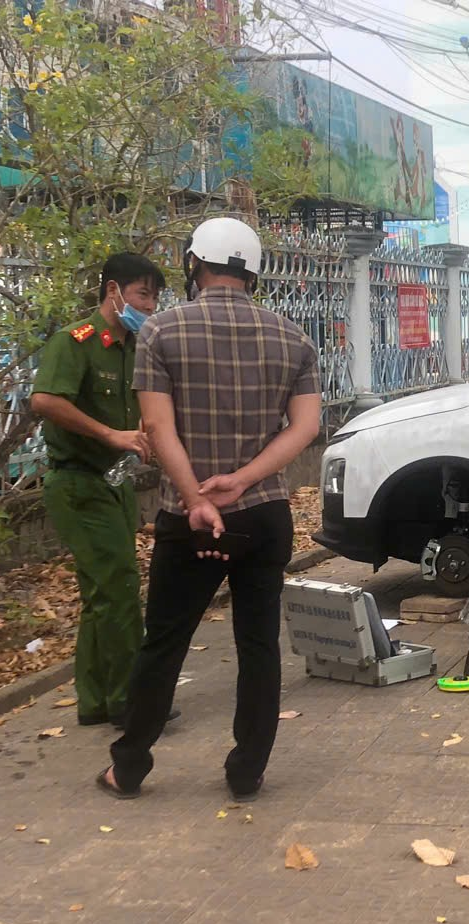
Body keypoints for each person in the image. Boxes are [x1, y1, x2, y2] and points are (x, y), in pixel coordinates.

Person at [99, 218, 321, 800]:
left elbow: (155, 426)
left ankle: (129, 767)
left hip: (190, 517)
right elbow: (305, 429)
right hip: (265, 514)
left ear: (194, 264)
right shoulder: (294, 338)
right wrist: (242, 480)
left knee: (165, 642)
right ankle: (247, 771)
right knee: (258, 644)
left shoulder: (160, 333)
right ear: (251, 272)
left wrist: (197, 497)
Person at [31, 253, 166, 729]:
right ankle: (132, 703)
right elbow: (44, 400)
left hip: (115, 483)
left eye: (153, 296)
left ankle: (95, 701)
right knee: (121, 590)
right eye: (142, 294)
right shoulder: (78, 341)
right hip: (79, 483)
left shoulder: (133, 346)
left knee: (101, 594)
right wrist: (109, 435)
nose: (148, 305)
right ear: (113, 291)